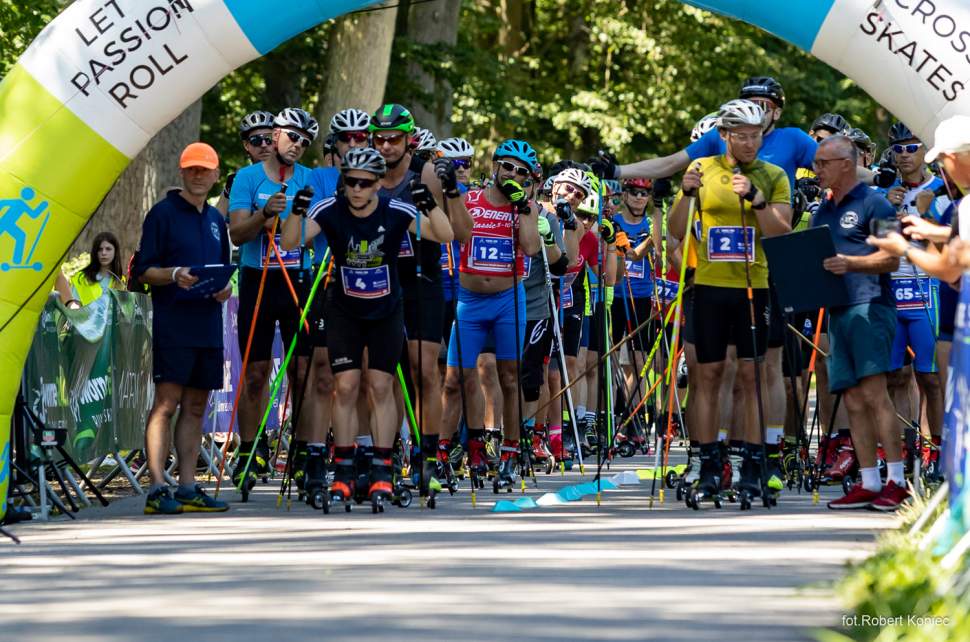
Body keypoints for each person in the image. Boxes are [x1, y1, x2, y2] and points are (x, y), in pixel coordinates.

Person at [281, 147, 452, 508]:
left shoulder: (396, 211)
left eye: (364, 183)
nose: (356, 189)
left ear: (377, 185)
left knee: (380, 385)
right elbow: (291, 241)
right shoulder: (330, 209)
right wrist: (296, 211)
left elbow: (446, 235)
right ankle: (342, 470)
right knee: (345, 386)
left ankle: (381, 469)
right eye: (350, 182)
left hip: (386, 311)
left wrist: (430, 205)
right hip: (344, 310)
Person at [667, 99, 792, 503]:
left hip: (754, 287)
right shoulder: (704, 171)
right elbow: (675, 230)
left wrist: (757, 200)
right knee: (708, 377)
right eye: (742, 136)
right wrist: (686, 195)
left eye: (756, 135)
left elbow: (781, 232)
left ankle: (752, 464)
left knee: (750, 377)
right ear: (724, 136)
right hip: (709, 286)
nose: (750, 143)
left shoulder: (773, 176)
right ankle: (706, 463)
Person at [369, 104, 472, 488]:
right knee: (386, 376)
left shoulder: (426, 172)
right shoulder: (367, 174)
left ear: (410, 139)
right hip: (379, 279)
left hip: (422, 279)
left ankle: (426, 454)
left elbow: (462, 233)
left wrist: (448, 191)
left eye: (394, 139)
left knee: (424, 370)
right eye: (378, 138)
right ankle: (389, 452)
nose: (385, 146)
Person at [132, 143, 231, 515]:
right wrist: (174, 275)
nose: (199, 175)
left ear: (217, 174)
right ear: (182, 171)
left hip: (208, 322)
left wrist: (225, 288)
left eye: (205, 169)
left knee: (195, 406)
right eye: (192, 169)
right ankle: (158, 487)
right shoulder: (162, 214)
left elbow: (223, 271)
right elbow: (143, 270)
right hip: (174, 321)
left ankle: (188, 486)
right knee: (166, 403)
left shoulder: (216, 220)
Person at [809, 135, 905, 510]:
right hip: (838, 310)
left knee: (874, 393)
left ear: (845, 164)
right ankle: (867, 480)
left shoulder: (875, 203)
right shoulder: (823, 210)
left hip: (870, 306)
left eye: (823, 163)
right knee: (851, 396)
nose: (817, 170)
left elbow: (893, 260)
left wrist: (851, 263)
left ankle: (896, 479)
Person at [440, 139, 542, 489]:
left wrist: (525, 209)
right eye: (508, 166)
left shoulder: (525, 207)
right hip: (469, 301)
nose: (513, 174)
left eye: (521, 171)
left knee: (509, 377)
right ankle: (445, 450)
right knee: (455, 379)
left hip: (507, 300)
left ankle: (511, 452)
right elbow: (456, 233)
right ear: (495, 166)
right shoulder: (469, 199)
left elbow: (530, 247)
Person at [227, 107, 319, 492]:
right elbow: (237, 234)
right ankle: (250, 450)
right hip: (257, 279)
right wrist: (264, 213)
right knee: (254, 374)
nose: (297, 145)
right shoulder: (247, 178)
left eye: (304, 141)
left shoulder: (310, 179)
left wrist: (294, 225)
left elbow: (319, 226)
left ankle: (300, 452)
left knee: (302, 373)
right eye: (292, 136)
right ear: (276, 133)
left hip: (298, 279)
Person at [877, 123, 949, 476]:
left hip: (929, 293)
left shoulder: (941, 189)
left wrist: (925, 214)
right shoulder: (884, 193)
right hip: (893, 293)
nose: (904, 156)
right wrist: (884, 213)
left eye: (911, 148)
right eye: (897, 150)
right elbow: (873, 242)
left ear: (925, 152)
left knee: (931, 379)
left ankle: (936, 451)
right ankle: (901, 452)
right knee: (893, 377)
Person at [216, 110, 277, 216]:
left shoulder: (296, 177)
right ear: (246, 145)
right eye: (256, 140)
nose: (263, 145)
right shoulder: (236, 180)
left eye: (269, 139)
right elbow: (216, 221)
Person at [56, 232, 125, 308]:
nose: (104, 253)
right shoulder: (81, 278)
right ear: (95, 253)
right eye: (100, 249)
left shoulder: (120, 281)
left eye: (108, 249)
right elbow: (73, 309)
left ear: (115, 252)